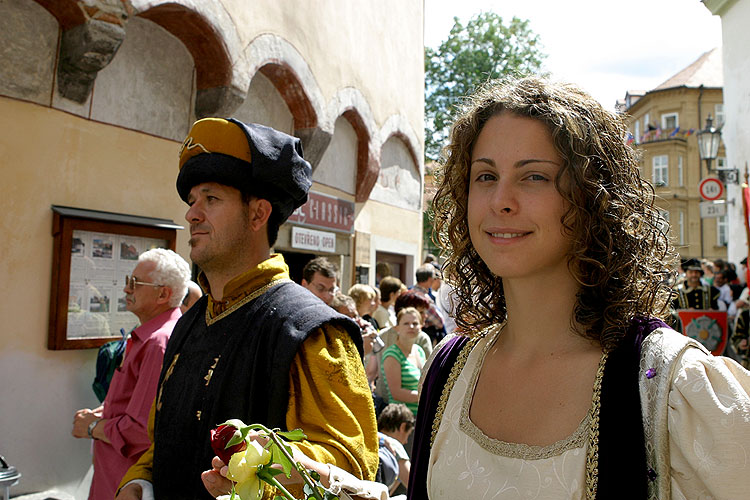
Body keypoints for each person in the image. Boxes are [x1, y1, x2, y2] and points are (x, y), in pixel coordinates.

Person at [407, 76, 750, 499]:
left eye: (534, 177)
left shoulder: (670, 388)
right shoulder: (449, 371)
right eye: (485, 176)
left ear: (594, 199)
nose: (501, 200)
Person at [116, 118, 377, 500]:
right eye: (192, 202)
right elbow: (167, 439)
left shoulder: (310, 330)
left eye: (211, 199)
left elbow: (351, 467)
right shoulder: (189, 322)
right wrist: (139, 482)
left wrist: (261, 475)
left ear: (258, 214)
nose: (192, 214)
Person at [73, 248, 190, 500]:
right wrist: (104, 412)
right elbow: (133, 404)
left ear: (163, 293)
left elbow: (141, 431)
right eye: (128, 281)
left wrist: (92, 426)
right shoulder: (152, 334)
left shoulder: (158, 341)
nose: (126, 289)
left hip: (124, 481)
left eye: (134, 283)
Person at [379, 307, 425, 418]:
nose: (411, 327)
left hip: (420, 417)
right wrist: (425, 396)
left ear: (421, 327)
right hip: (402, 420)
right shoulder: (392, 354)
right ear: (397, 328)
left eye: (415, 323)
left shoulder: (419, 351)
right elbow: (396, 393)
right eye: (406, 323)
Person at [376, 403, 414, 496]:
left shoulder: (374, 437)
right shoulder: (394, 445)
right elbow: (412, 484)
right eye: (408, 435)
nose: (406, 441)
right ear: (403, 427)